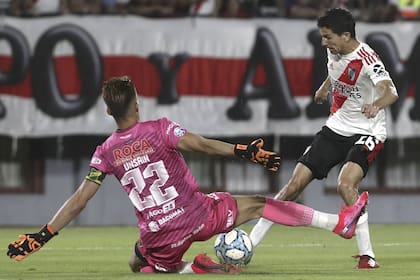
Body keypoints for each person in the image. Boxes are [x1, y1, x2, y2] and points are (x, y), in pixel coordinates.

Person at [7, 76, 368, 274]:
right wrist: (244, 151)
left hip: (159, 236)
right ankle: (336, 224)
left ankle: (182, 269)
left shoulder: (105, 153)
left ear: (108, 111)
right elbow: (204, 145)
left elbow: (80, 200)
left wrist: (43, 235)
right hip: (200, 216)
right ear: (136, 104)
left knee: (138, 262)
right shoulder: (162, 129)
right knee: (260, 204)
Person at [249, 7, 399, 269]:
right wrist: (323, 88)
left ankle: (367, 256)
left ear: (345, 35)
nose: (323, 42)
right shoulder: (334, 50)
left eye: (328, 37)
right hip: (336, 127)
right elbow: (336, 72)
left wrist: (377, 104)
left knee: (345, 185)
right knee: (293, 186)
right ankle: (249, 246)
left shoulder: (368, 58)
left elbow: (391, 91)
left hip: (368, 131)